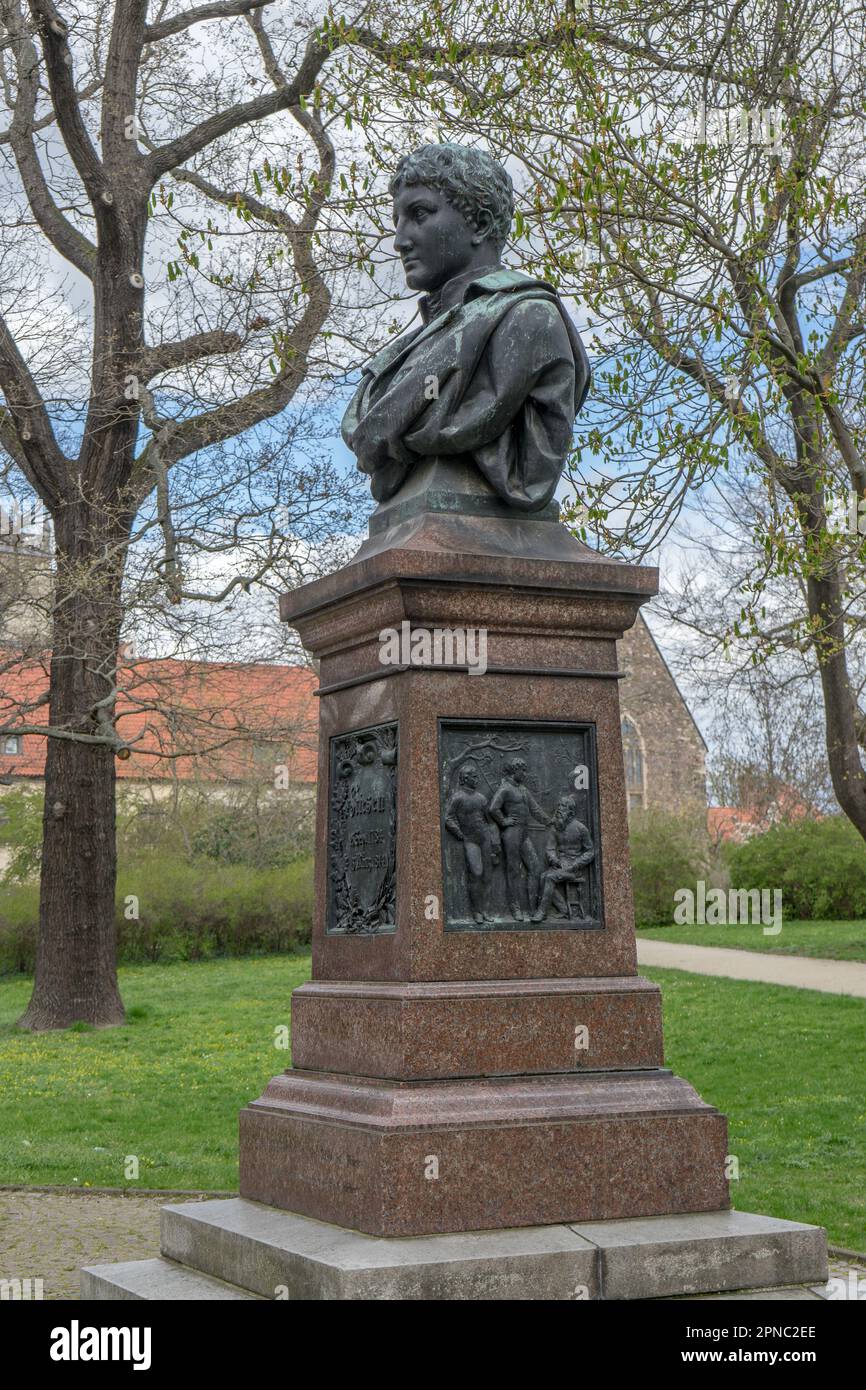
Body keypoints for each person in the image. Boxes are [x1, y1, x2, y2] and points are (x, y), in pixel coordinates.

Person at [341, 143, 591, 512]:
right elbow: (367, 425)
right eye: (398, 222)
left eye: (419, 214)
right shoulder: (411, 348)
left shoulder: (527, 319)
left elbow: (417, 416)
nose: (400, 241)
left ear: (481, 221)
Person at [489, 757, 550, 920]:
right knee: (513, 871)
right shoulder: (505, 788)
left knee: (535, 867)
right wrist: (504, 821)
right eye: (522, 770)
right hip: (511, 835)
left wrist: (549, 820)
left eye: (525, 770)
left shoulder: (523, 789)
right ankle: (515, 907)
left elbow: (535, 808)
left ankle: (532, 907)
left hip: (523, 835)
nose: (524, 773)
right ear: (514, 771)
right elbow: (493, 808)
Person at [443, 761, 499, 923]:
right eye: (473, 777)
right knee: (476, 873)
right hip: (470, 840)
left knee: (487, 876)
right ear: (465, 779)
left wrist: (495, 842)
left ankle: (486, 910)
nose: (476, 779)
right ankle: (477, 911)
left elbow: (490, 822)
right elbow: (448, 818)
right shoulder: (457, 797)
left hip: (485, 839)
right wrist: (459, 833)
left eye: (476, 776)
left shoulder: (481, 798)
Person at [532, 794, 595, 922]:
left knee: (549, 877)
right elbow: (550, 848)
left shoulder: (581, 829)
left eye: (563, 807)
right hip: (560, 865)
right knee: (543, 876)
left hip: (574, 869)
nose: (559, 809)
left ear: (571, 813)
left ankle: (542, 912)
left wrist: (576, 864)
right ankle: (564, 910)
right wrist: (555, 860)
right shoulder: (556, 827)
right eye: (559, 805)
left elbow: (590, 851)